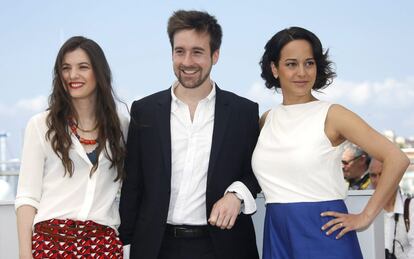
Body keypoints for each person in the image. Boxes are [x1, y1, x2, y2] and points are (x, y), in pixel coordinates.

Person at [252, 26, 410, 258]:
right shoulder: (267, 119)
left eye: (309, 63)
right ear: (274, 69)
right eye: (291, 64)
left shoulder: (333, 115)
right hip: (277, 232)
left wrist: (365, 217)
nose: (302, 72)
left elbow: (397, 158)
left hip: (324, 232)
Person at [119, 10, 260, 259]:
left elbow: (256, 172)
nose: (187, 62)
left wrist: (237, 195)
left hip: (223, 247)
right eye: (179, 51)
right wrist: (125, 242)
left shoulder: (244, 112)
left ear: (215, 55)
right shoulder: (145, 111)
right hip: (156, 247)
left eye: (197, 51)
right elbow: (133, 185)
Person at [15, 36, 128, 259]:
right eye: (65, 68)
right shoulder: (41, 125)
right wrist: (24, 255)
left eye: (82, 67)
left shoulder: (122, 126)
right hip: (51, 244)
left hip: (103, 245)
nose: (72, 75)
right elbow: (27, 196)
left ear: (99, 72)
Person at [369, 158, 414, 259]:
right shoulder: (364, 210)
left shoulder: (411, 207)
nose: (377, 180)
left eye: (382, 174)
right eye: (373, 175)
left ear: (396, 176)